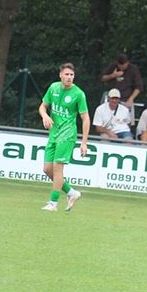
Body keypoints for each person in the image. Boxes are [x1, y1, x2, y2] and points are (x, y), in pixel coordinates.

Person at [38, 63, 90, 212]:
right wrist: (45, 116)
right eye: (66, 74)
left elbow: (85, 118)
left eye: (71, 75)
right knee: (47, 169)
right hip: (53, 134)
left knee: (57, 169)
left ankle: (53, 203)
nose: (69, 77)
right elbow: (42, 106)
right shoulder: (53, 88)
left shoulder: (78, 94)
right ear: (60, 75)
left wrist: (84, 142)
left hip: (67, 135)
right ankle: (71, 192)